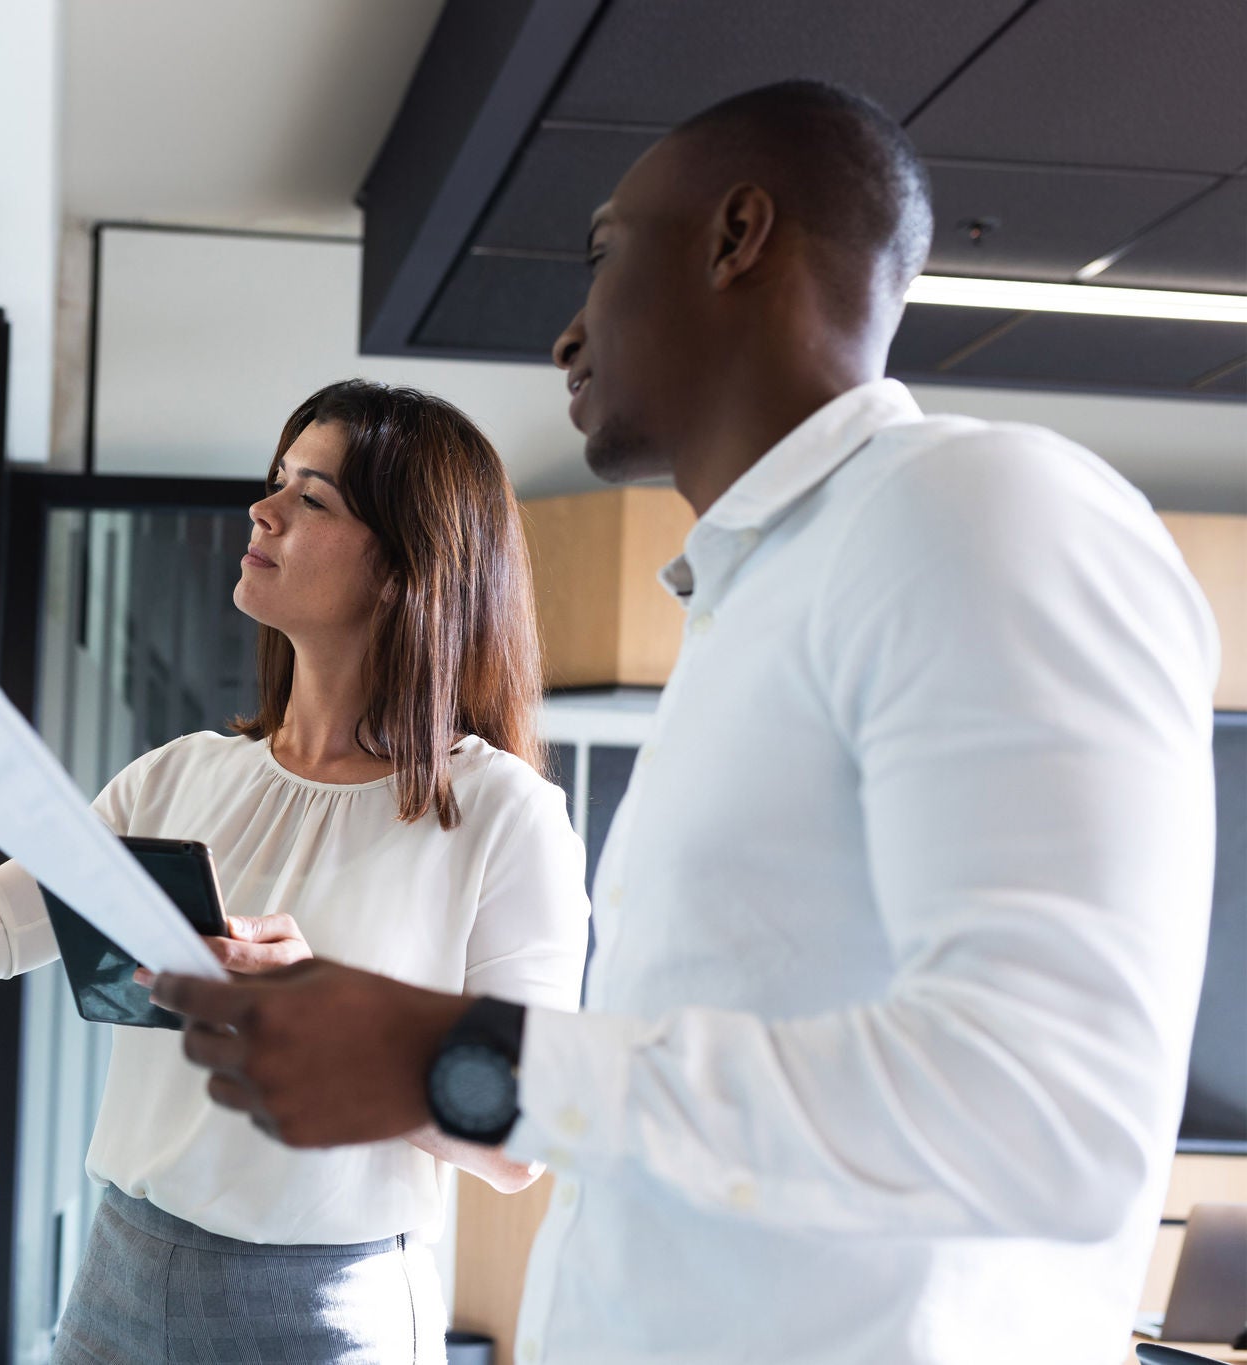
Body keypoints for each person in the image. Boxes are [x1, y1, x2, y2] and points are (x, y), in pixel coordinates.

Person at [154, 80, 1221, 1365]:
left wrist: (453, 1053)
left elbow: (1047, 1116)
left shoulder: (977, 509)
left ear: (737, 237)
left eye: (602, 254)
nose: (565, 332)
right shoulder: (754, 596)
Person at [0, 380, 590, 1364]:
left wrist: (328, 1015)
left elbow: (522, 1141)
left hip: (319, 1314)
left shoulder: (503, 816)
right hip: (116, 1276)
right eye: (275, 482)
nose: (262, 509)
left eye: (311, 498)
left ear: (404, 569)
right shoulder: (179, 775)